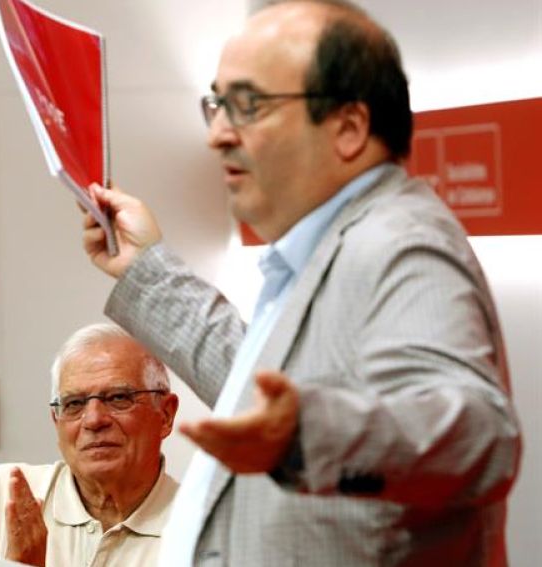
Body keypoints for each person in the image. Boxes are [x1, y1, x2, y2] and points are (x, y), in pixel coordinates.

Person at [80, 1, 521, 565]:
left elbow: (477, 434)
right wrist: (145, 272)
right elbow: (259, 387)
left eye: (248, 105)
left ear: (349, 127)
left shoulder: (401, 242)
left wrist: (307, 432)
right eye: (217, 104)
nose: (217, 133)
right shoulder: (332, 239)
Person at [0, 323, 179, 566]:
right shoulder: (2, 495)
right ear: (56, 420)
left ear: (165, 415)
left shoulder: (199, 529)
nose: (93, 420)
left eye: (117, 398)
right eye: (74, 404)